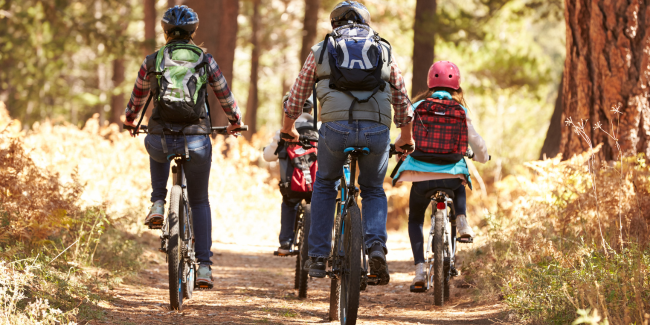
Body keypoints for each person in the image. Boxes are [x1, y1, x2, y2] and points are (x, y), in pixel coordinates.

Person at [281, 1, 415, 285]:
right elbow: (401, 97)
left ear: (334, 24)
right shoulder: (384, 49)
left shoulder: (321, 50)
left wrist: (288, 128)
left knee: (325, 183)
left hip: (335, 130)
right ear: (366, 23)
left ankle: (317, 257)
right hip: (377, 131)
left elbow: (296, 96)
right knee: (373, 189)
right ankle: (376, 247)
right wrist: (406, 135)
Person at [123, 5, 243, 288]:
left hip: (160, 136)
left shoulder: (153, 60)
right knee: (200, 200)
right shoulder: (205, 60)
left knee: (157, 144)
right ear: (193, 32)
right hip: (197, 138)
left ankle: (158, 201)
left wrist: (130, 121)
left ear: (165, 31)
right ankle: (203, 267)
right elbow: (224, 95)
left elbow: (137, 99)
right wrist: (235, 121)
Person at [392, 61, 489, 288]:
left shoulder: (417, 107)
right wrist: (482, 158)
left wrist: (399, 154)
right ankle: (462, 221)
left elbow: (403, 140)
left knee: (415, 220)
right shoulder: (460, 111)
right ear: (456, 86)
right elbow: (477, 143)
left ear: (430, 84)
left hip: (421, 176)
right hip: (451, 175)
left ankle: (418, 271)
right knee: (460, 182)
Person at [263, 94, 318, 254]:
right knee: (320, 205)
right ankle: (319, 246)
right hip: (317, 185)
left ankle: (286, 243)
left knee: (289, 203)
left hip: (292, 185)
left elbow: (268, 156)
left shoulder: (283, 132)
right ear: (311, 109)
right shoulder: (320, 128)